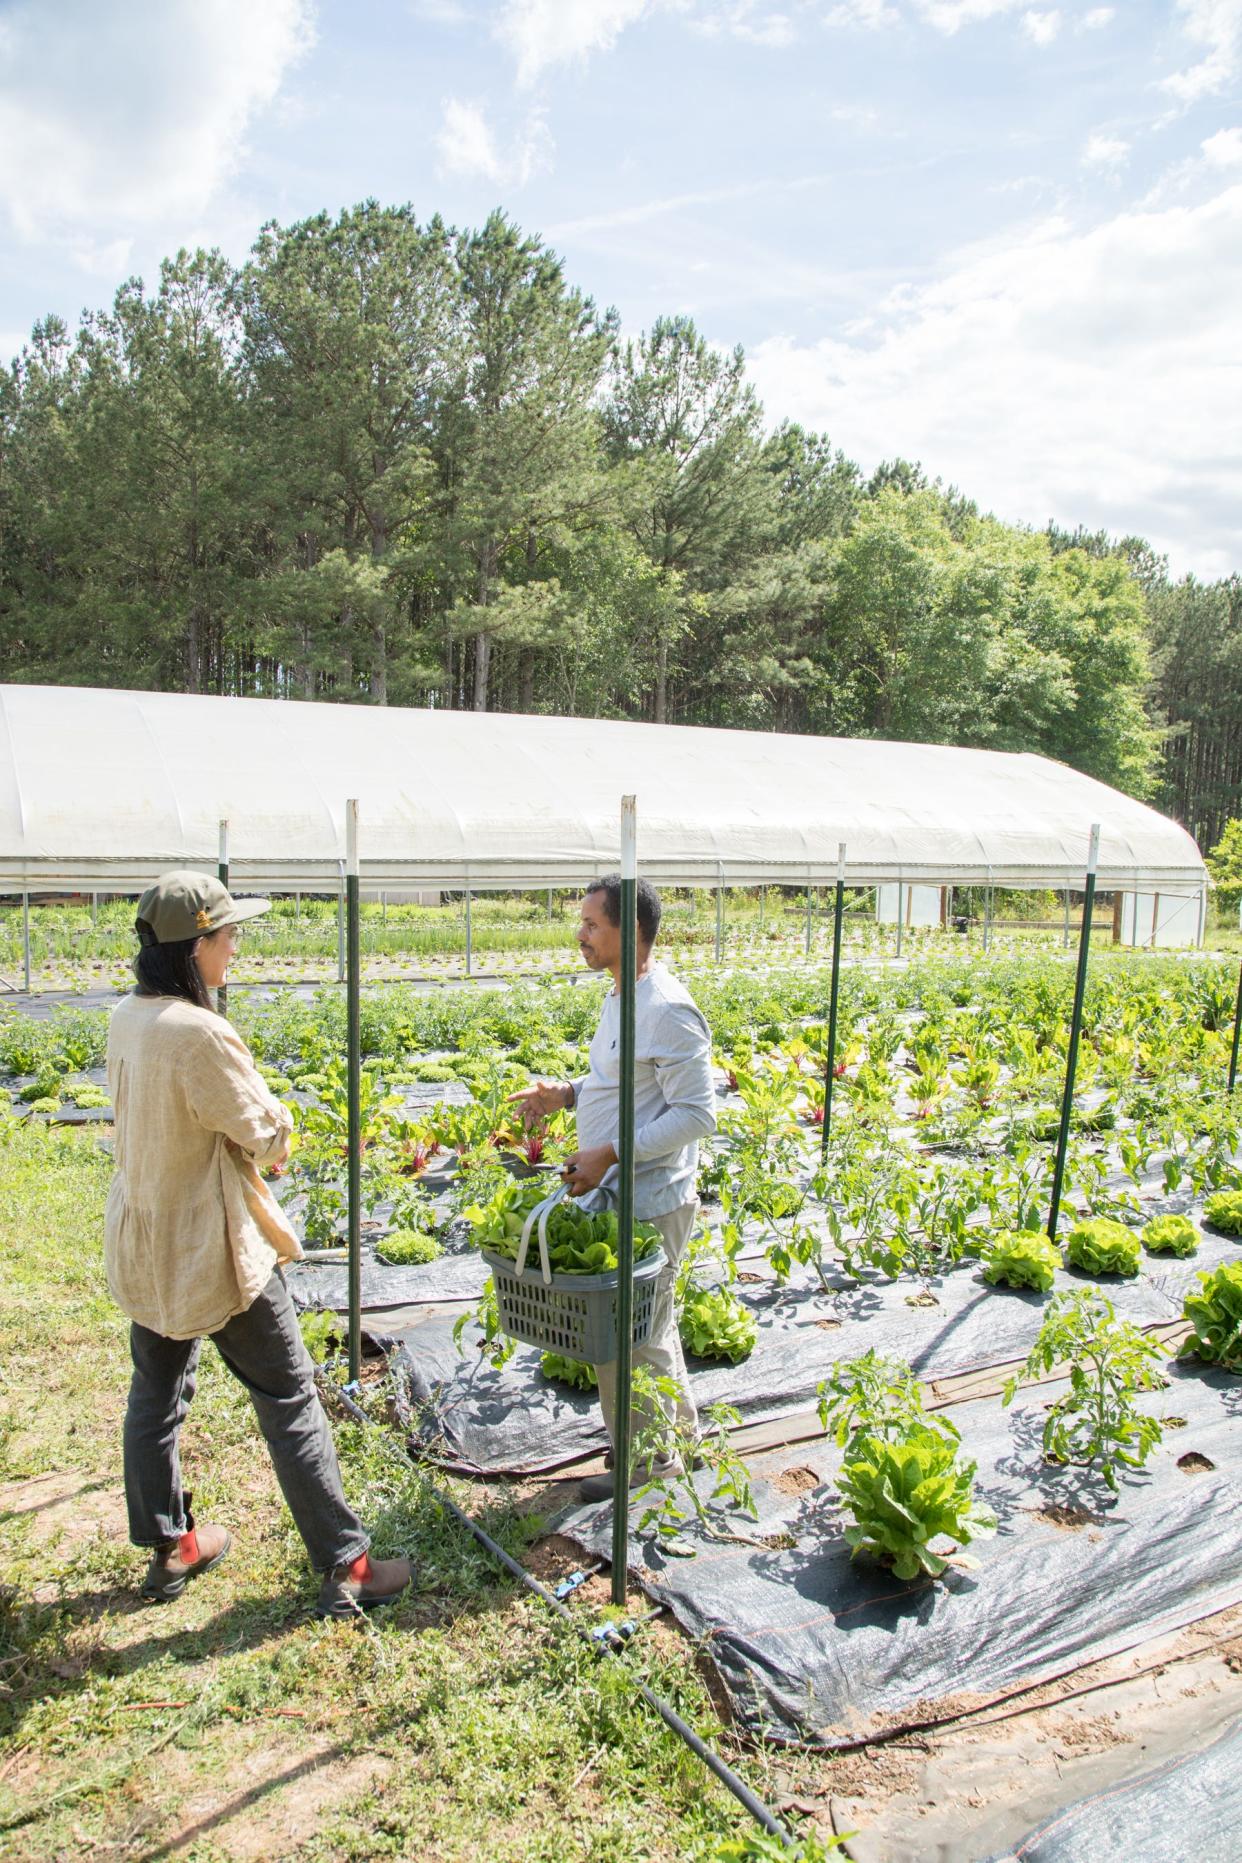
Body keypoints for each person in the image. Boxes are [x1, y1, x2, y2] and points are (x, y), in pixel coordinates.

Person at [105, 870, 412, 1618]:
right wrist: (281, 1118)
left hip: (146, 1235)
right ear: (195, 946)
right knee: (290, 1394)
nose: (236, 946)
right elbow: (267, 1134)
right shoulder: (199, 1033)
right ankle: (350, 1565)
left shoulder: (128, 1016)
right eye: (229, 935)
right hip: (213, 1246)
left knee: (157, 1394)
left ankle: (171, 1546)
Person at [512, 876, 716, 1499]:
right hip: (622, 1192)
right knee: (648, 1332)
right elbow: (619, 1080)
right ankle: (677, 1444)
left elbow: (697, 1114)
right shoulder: (621, 997)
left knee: (627, 1339)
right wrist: (568, 1094)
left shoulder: (667, 1008)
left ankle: (648, 1467)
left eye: (593, 926)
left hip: (651, 1199)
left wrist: (614, 1153)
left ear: (629, 934)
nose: (581, 935)